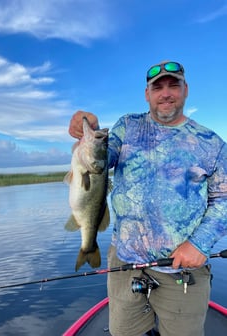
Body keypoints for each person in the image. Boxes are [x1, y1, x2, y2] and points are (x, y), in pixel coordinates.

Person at [68, 60, 227, 336]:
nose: (165, 93)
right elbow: (101, 159)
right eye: (158, 87)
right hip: (124, 265)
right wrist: (86, 131)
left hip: (182, 271)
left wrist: (199, 244)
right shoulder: (127, 126)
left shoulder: (211, 142)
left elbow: (223, 199)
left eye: (173, 85)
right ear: (147, 94)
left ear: (185, 90)